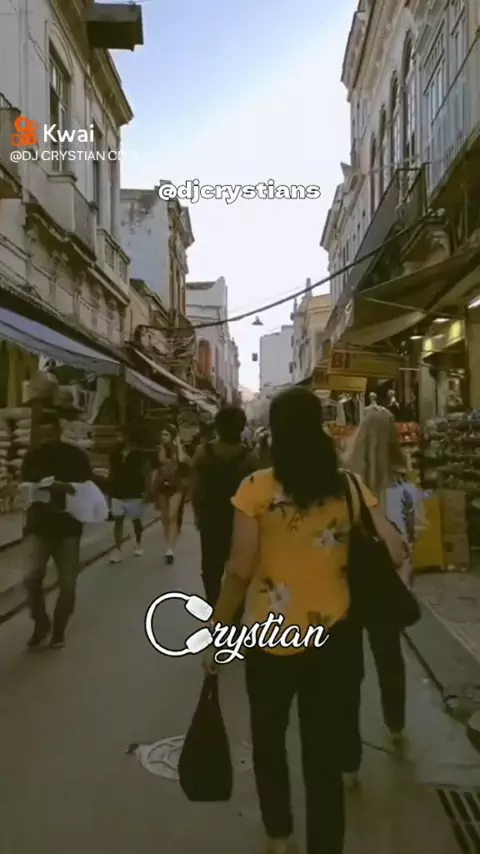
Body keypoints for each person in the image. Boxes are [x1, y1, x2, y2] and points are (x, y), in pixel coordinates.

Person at [203, 387, 405, 854]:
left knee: (269, 740)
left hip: (267, 638)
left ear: (274, 432)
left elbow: (239, 570)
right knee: (322, 753)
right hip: (334, 635)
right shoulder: (349, 486)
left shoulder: (255, 489)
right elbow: (395, 551)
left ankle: (279, 833)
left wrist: (216, 631)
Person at [345, 405, 421, 759]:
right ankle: (396, 725)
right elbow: (409, 542)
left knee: (349, 664)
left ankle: (348, 742)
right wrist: (405, 580)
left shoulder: (344, 482)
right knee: (389, 655)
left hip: (348, 582)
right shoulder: (403, 487)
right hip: (386, 583)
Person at [20, 410, 93, 650]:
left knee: (67, 584)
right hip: (39, 525)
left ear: (58, 431)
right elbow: (26, 485)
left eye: (49, 434)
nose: (46, 440)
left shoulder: (75, 456)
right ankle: (41, 623)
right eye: (42, 435)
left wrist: (63, 487)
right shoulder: (32, 457)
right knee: (31, 577)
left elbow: (86, 487)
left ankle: (59, 628)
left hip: (68, 525)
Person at [192, 405, 257, 606]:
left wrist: (197, 514)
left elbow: (196, 488)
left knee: (211, 568)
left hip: (211, 517)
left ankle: (213, 606)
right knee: (240, 566)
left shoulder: (203, 452)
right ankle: (235, 609)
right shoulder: (249, 456)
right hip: (241, 518)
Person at [108, 428, 149, 563]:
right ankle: (117, 549)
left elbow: (146, 472)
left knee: (136, 520)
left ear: (127, 437)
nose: (118, 439)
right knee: (118, 521)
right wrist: (109, 492)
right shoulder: (114, 454)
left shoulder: (139, 454)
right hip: (118, 491)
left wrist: (147, 491)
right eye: (117, 436)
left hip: (135, 491)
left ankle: (138, 543)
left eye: (120, 436)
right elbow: (111, 472)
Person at [152, 425, 190, 564]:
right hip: (162, 485)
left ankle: (170, 549)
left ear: (172, 436)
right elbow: (158, 463)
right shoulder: (159, 449)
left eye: (166, 435)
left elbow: (181, 459)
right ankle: (167, 542)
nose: (163, 437)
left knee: (172, 516)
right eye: (162, 434)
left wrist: (178, 444)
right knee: (165, 517)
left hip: (176, 486)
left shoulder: (178, 448)